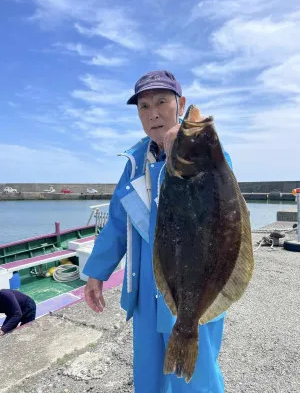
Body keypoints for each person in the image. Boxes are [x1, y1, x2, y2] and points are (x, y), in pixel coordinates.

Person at [83, 70, 233, 392]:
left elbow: (225, 207)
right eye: (144, 106)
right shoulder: (135, 162)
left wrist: (182, 151)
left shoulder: (204, 155)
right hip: (146, 292)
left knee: (196, 380)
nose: (153, 113)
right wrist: (96, 273)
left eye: (162, 102)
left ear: (179, 103)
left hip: (195, 285)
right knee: (149, 378)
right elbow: (117, 223)